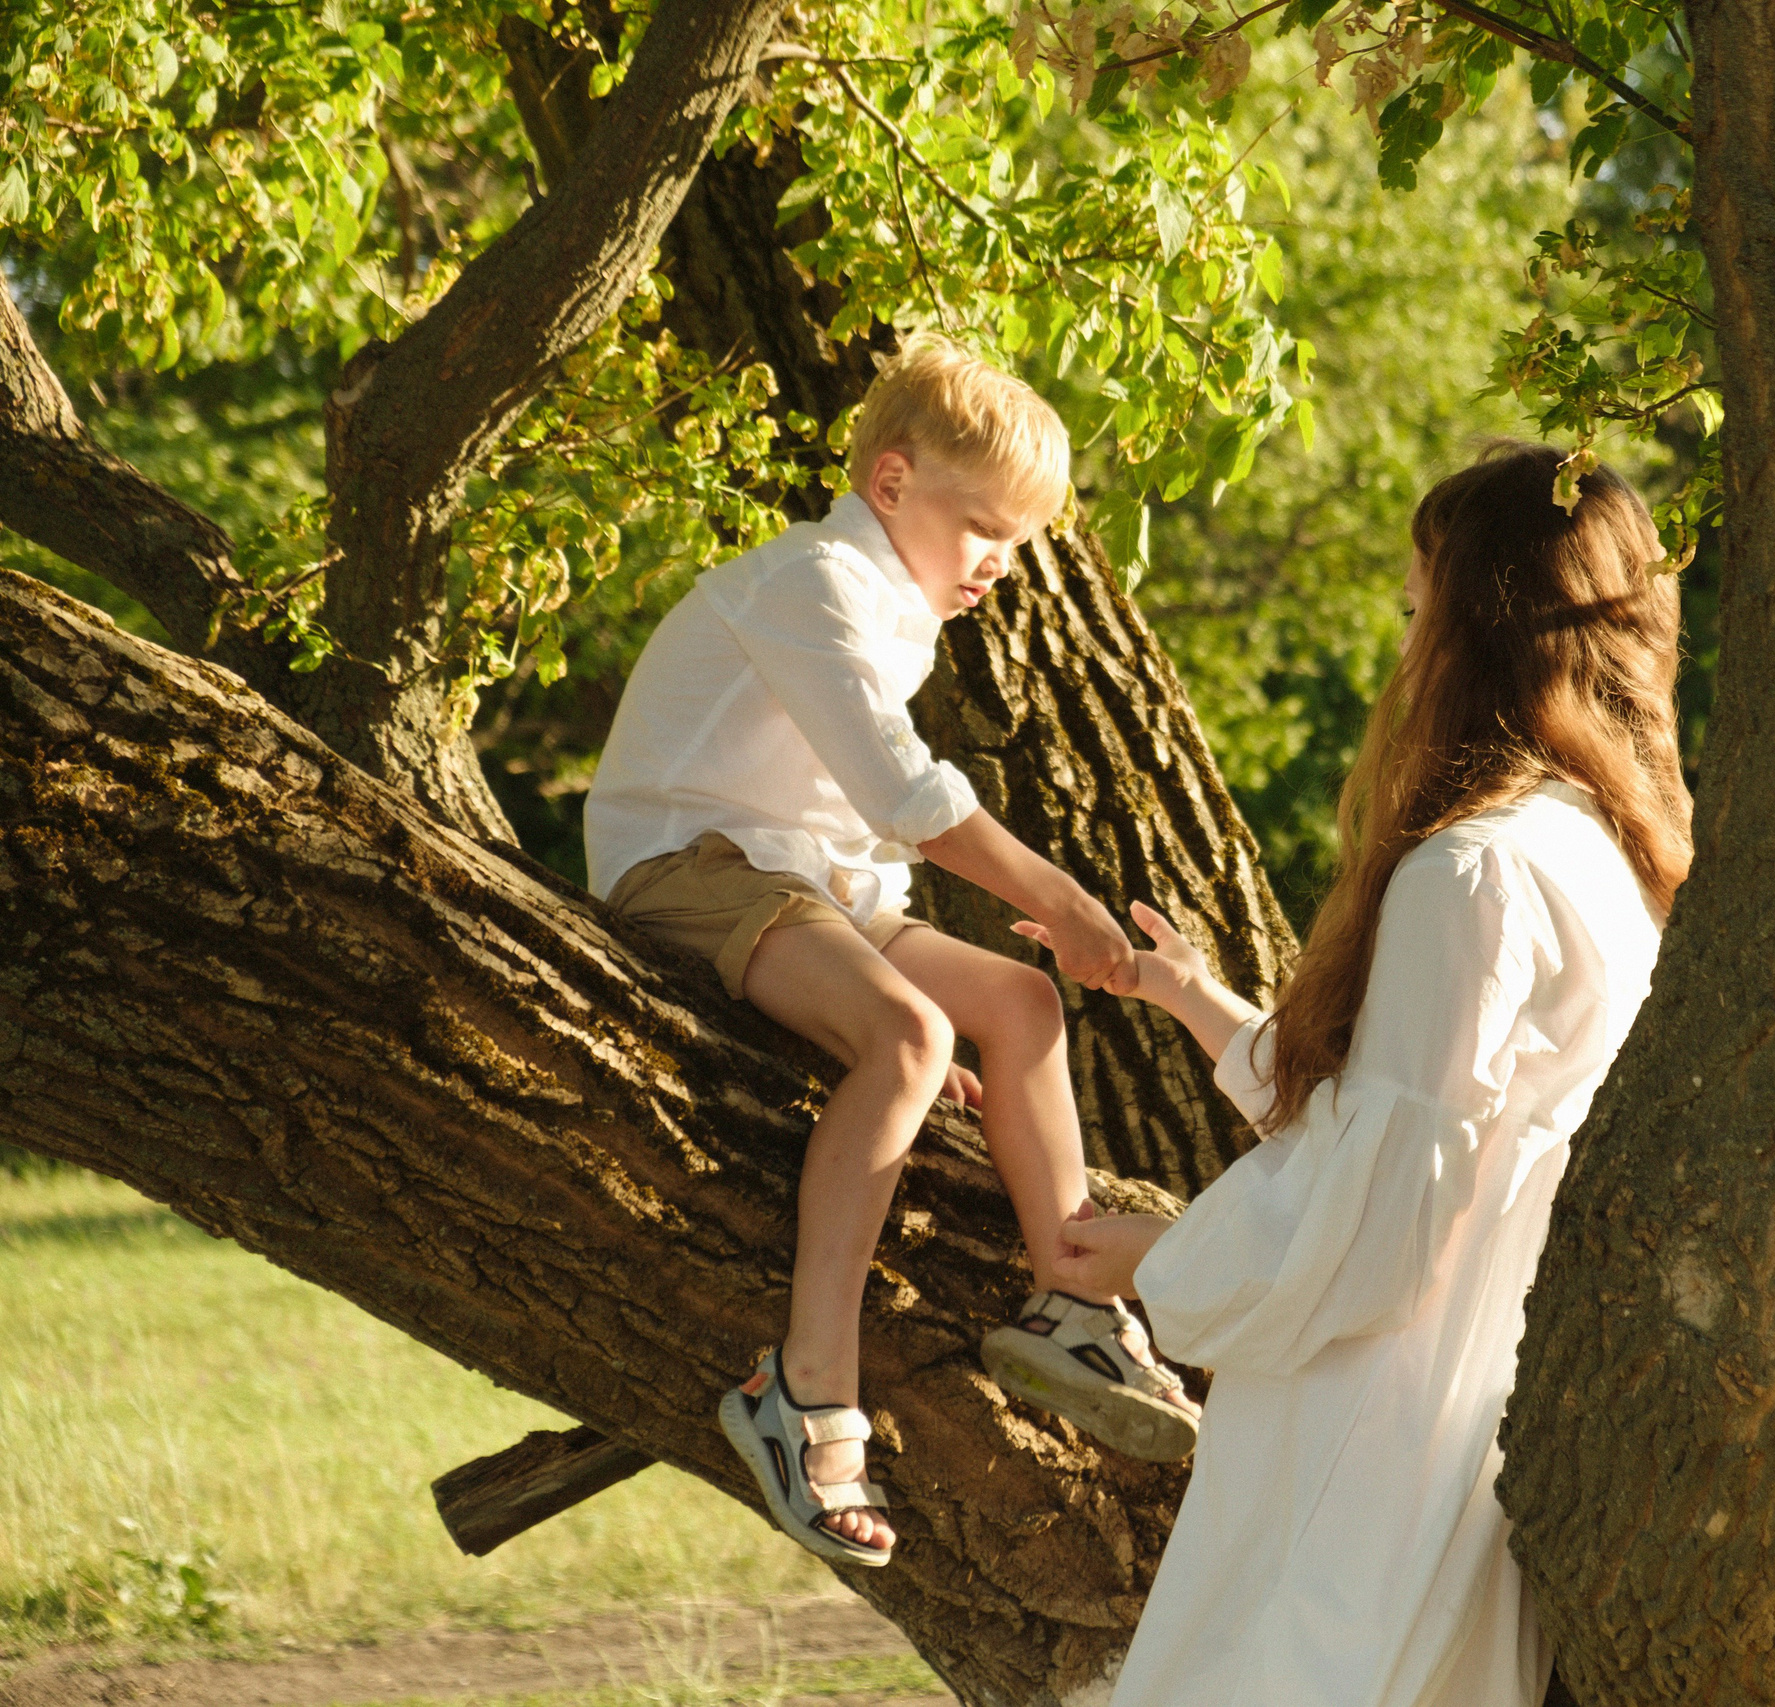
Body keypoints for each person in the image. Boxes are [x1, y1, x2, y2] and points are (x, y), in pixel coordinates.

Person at [1017, 444, 1690, 1707]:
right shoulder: (1608, 848)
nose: (1403, 644)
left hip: (1400, 1396)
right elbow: (1421, 1113)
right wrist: (1186, 994)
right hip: (1491, 1366)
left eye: (1414, 607)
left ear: (1473, 628)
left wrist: (1164, 1266)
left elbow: (1395, 1206)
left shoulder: (1475, 869)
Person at [584, 335, 1200, 1571]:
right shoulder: (810, 581)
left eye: (1019, 543)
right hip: (687, 862)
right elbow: (898, 788)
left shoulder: (891, 608)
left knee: (1019, 1004)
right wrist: (1059, 900)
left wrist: (869, 988)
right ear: (892, 483)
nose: (1000, 567)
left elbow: (856, 844)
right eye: (985, 529)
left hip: (800, 882)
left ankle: (1076, 1295)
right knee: (912, 1036)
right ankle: (805, 1395)